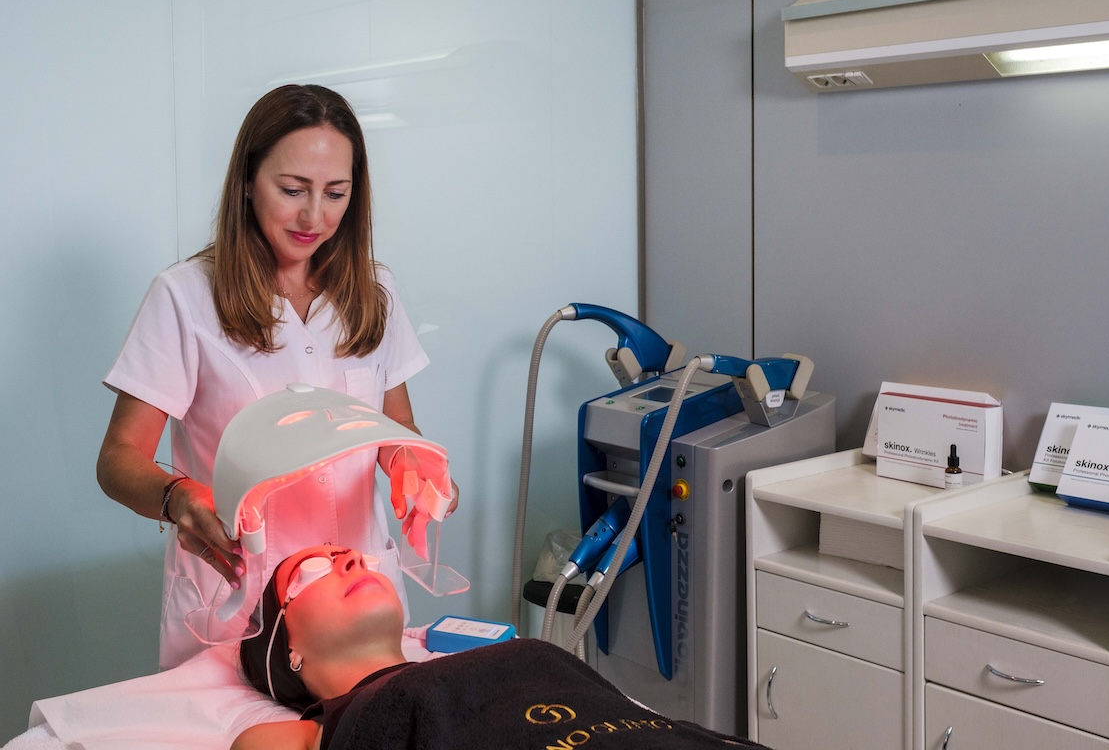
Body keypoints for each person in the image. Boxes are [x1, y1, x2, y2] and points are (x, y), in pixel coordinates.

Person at [96, 84, 456, 670]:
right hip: (237, 597)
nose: (315, 216)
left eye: (335, 193)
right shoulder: (185, 297)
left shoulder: (374, 291)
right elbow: (118, 459)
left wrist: (414, 467)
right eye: (292, 190)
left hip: (358, 595)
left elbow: (397, 428)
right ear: (247, 181)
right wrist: (178, 498)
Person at [234, 546, 769, 750]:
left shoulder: (514, 654)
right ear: (289, 649)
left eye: (354, 555)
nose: (352, 559)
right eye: (313, 569)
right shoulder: (314, 731)